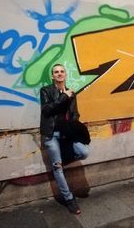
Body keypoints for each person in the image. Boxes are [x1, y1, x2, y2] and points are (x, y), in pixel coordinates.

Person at [40, 63, 90, 215]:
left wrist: (73, 124)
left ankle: (60, 161)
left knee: (84, 152)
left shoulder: (72, 93)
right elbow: (47, 110)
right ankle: (69, 199)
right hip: (51, 134)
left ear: (66, 74)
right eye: (56, 72)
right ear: (52, 76)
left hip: (66, 134)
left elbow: (75, 113)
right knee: (57, 167)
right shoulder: (46, 91)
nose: (60, 74)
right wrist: (63, 97)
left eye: (62, 71)